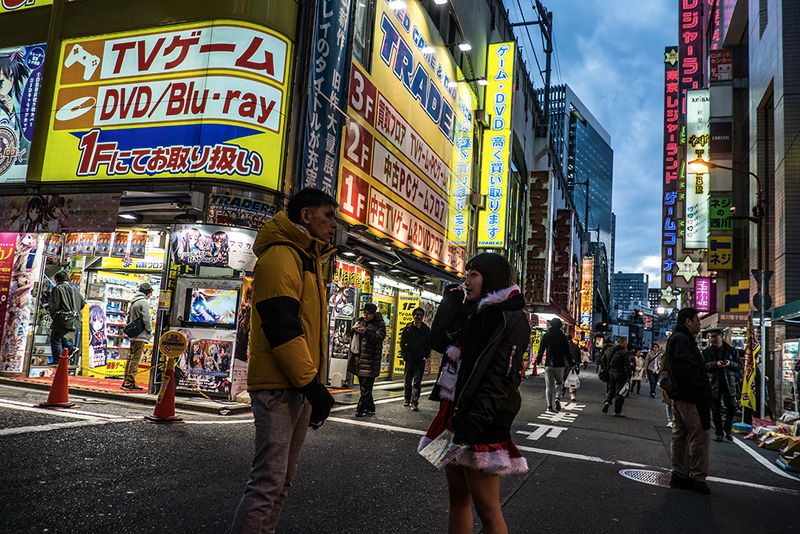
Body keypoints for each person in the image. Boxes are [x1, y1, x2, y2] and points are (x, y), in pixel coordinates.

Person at [231, 188, 337, 534]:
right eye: (328, 216)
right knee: (268, 481)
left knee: (283, 480)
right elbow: (281, 325)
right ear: (306, 216)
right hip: (280, 387)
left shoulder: (309, 258)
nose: (333, 225)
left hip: (298, 385)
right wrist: (312, 384)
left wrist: (310, 386)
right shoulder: (281, 255)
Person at [419, 253, 529, 534]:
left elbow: (500, 381)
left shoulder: (509, 318)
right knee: (458, 500)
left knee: (488, 509)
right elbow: (438, 341)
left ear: (490, 278)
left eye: (473, 275)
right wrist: (450, 302)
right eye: (466, 274)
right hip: (454, 413)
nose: (466, 280)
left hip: (482, 422)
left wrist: (470, 428)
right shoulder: (474, 311)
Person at [663, 307, 712, 495]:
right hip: (690, 397)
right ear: (688, 321)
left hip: (680, 395)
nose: (699, 323)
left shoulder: (678, 338)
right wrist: (702, 391)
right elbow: (689, 370)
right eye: (697, 320)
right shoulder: (683, 340)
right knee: (698, 435)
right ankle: (697, 477)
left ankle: (679, 473)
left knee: (680, 434)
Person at [348, 302, 387, 417]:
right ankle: (370, 407)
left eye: (368, 313)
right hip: (359, 360)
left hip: (371, 361)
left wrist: (364, 331)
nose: (366, 315)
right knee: (364, 387)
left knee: (366, 387)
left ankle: (360, 409)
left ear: (374, 314)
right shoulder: (361, 321)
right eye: (364, 313)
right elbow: (350, 335)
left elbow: (378, 338)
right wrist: (354, 329)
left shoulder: (380, 324)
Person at [702, 328, 741, 443]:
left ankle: (728, 429)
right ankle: (719, 432)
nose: (713, 339)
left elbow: (739, 365)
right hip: (713, 382)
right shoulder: (706, 352)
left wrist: (729, 364)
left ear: (721, 337)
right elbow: (702, 366)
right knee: (715, 409)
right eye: (711, 337)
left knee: (732, 406)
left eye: (715, 336)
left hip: (729, 382)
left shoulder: (731, 350)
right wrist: (715, 364)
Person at [535, 317, 575, 412]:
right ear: (560, 326)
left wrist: (538, 360)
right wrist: (572, 364)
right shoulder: (563, 337)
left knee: (549, 386)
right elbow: (567, 352)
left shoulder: (546, 335)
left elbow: (541, 349)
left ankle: (549, 406)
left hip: (549, 364)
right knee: (559, 383)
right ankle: (557, 398)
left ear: (551, 325)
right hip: (560, 364)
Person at [48, 270, 85, 365]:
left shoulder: (58, 288)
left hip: (62, 318)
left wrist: (54, 315)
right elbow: (82, 304)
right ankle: (71, 348)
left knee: (55, 338)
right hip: (75, 319)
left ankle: (58, 361)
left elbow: (54, 306)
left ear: (56, 280)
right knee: (60, 335)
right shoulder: (75, 289)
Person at [121, 282, 153, 390]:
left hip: (133, 334)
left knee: (130, 358)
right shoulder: (143, 302)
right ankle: (129, 382)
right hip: (140, 335)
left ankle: (127, 380)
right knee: (135, 359)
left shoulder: (134, 301)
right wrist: (149, 330)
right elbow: (146, 319)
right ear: (148, 292)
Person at [400, 307, 431, 411]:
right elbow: (402, 342)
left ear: (423, 317)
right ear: (413, 316)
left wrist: (425, 355)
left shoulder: (426, 330)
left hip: (420, 359)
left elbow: (429, 344)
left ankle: (414, 402)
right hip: (409, 359)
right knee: (407, 380)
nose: (418, 317)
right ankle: (407, 399)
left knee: (417, 382)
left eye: (420, 315)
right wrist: (404, 355)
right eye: (416, 315)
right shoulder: (408, 328)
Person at [601, 337, 632, 416]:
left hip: (611, 373)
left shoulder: (609, 350)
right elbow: (627, 365)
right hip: (620, 374)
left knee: (611, 389)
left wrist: (606, 368)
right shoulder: (624, 352)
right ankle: (617, 411)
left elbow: (602, 359)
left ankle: (608, 401)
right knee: (620, 392)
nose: (626, 345)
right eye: (625, 343)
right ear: (622, 343)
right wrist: (628, 376)